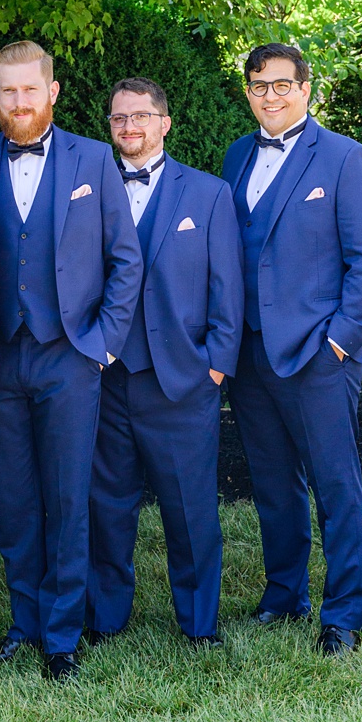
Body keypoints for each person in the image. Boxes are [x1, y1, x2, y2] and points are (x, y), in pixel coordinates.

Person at [0, 41, 142, 678]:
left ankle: (63, 634)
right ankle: (25, 621)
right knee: (15, 499)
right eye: (8, 91)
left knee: (69, 497)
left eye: (30, 89)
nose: (20, 102)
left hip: (71, 356)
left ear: (53, 91)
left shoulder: (95, 160)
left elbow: (126, 260)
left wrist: (101, 343)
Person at [220, 42, 362, 655]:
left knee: (334, 484)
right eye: (259, 85)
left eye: (282, 84)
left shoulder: (346, 159)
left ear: (307, 89)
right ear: (248, 92)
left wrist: (341, 342)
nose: (271, 95)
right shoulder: (237, 155)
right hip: (249, 354)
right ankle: (284, 593)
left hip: (319, 353)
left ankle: (342, 612)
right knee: (272, 482)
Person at [87, 76, 242, 646]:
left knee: (190, 509)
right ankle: (106, 615)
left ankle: (199, 622)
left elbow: (229, 285)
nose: (130, 126)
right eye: (119, 118)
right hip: (106, 375)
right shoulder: (92, 187)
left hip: (182, 377)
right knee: (106, 503)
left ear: (165, 122)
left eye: (141, 116)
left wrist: (216, 365)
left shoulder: (207, 194)